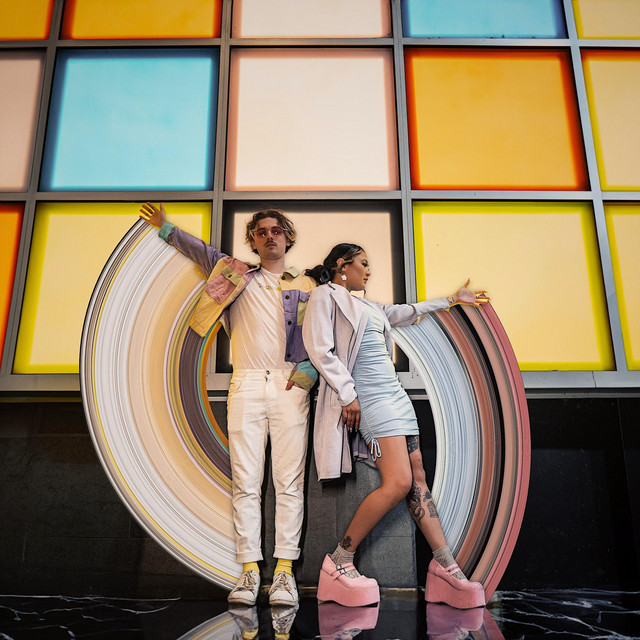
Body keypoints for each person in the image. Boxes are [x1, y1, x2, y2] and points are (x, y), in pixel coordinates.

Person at [139, 203, 317, 606]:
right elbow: (199, 251)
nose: (269, 236)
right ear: (253, 240)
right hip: (246, 383)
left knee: (289, 483)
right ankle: (249, 571)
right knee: (246, 482)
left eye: (276, 230)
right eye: (261, 232)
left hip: (290, 384)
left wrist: (306, 374)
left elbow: (324, 333)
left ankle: (284, 573)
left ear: (287, 237)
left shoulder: (307, 283)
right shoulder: (234, 272)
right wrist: (164, 227)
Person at [302, 243, 490, 609]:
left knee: (417, 478)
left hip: (396, 397)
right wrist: (347, 394)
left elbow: (408, 311)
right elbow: (320, 349)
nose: (369, 270)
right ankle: (339, 560)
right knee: (399, 482)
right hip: (371, 398)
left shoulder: (370, 307)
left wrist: (452, 300)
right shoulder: (325, 296)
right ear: (342, 265)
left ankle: (445, 567)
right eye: (363, 263)